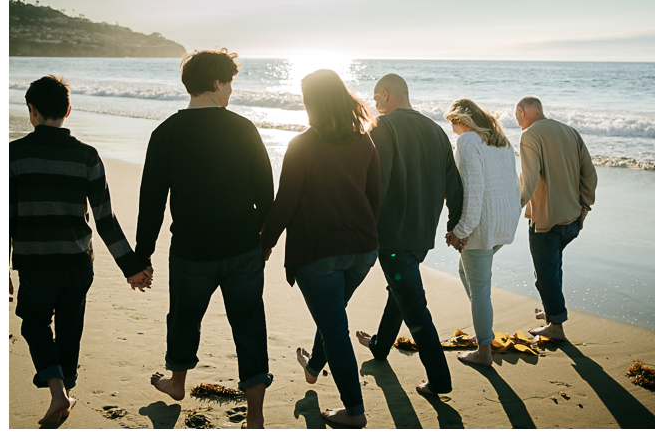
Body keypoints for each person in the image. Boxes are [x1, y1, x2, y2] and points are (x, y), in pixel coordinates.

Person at [135, 49, 274, 428]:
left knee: (183, 318)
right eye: (229, 82)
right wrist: (264, 240)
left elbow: (152, 202)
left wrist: (141, 256)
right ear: (216, 83)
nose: (231, 90)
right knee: (249, 325)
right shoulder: (244, 128)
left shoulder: (165, 133)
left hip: (191, 251)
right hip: (242, 247)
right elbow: (266, 193)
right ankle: (255, 414)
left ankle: (177, 383)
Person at [9, 75, 152, 427]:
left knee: (34, 325)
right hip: (77, 264)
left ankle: (59, 393)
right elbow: (106, 220)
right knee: (70, 328)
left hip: (36, 263)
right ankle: (65, 388)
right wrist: (131, 266)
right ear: (69, 111)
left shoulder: (13, 155)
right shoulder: (87, 156)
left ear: (32, 111)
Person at [260, 70, 380, 428]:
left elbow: (285, 202)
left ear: (312, 102)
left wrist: (264, 244)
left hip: (319, 253)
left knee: (334, 329)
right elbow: (375, 199)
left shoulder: (303, 144)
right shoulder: (365, 141)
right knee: (333, 315)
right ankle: (313, 367)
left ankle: (355, 411)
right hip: (362, 250)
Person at [355, 72, 463, 397]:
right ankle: (379, 346)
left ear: (386, 94)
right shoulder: (436, 131)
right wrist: (454, 227)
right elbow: (455, 188)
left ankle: (440, 380)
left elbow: (377, 183)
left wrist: (363, 226)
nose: (375, 106)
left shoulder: (383, 127)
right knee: (399, 292)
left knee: (414, 307)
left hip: (391, 236)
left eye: (376, 99)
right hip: (421, 236)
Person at [443, 99, 521, 368]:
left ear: (461, 119)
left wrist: (460, 230)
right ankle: (483, 329)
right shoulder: (501, 140)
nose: (451, 127)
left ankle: (483, 352)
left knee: (479, 291)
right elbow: (514, 183)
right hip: (506, 221)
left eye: (452, 121)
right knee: (467, 274)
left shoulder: (467, 142)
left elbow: (474, 192)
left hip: (482, 225)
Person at [515, 97, 597, 340]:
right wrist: (585, 208)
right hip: (572, 220)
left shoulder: (529, 135)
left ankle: (556, 328)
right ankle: (552, 311)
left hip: (546, 222)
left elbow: (528, 181)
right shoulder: (570, 131)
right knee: (554, 267)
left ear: (521, 112)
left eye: (516, 116)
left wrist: (512, 208)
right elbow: (589, 175)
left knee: (546, 275)